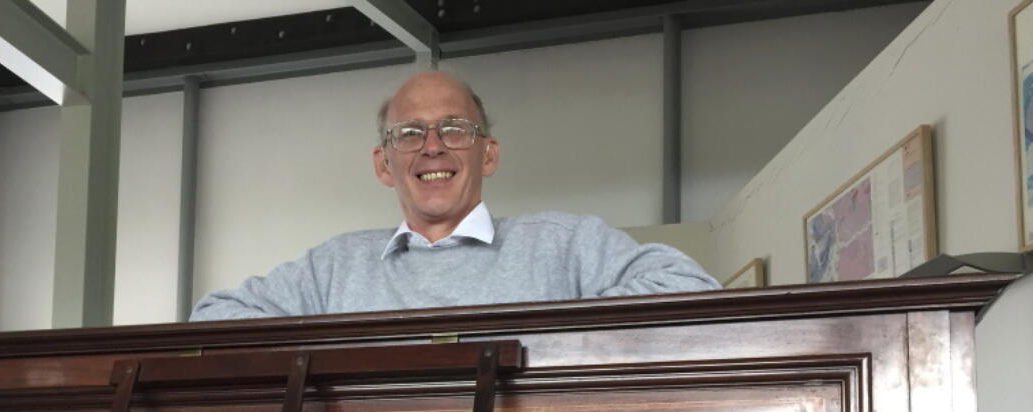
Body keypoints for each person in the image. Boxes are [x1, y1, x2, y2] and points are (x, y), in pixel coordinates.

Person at [191, 71, 717, 322]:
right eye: (410, 134)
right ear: (384, 165)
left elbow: (690, 287)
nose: (433, 148)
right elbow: (213, 318)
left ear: (488, 154)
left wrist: (550, 335)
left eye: (455, 130)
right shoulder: (332, 268)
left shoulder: (565, 243)